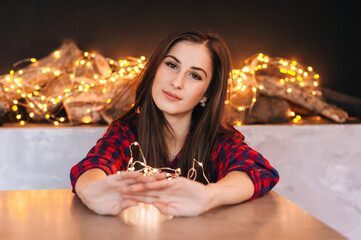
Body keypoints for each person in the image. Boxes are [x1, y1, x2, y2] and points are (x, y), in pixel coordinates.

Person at [70, 28, 279, 217]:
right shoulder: (127, 132)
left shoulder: (218, 140)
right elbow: (95, 165)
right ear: (155, 70)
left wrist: (209, 196)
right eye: (171, 65)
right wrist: (91, 191)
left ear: (207, 93)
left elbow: (257, 171)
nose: (176, 82)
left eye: (195, 76)